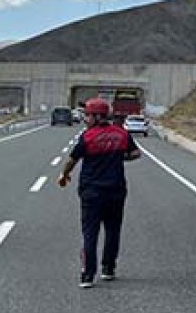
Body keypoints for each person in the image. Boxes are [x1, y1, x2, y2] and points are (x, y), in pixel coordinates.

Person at [57, 97, 141, 288]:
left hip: (91, 191)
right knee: (113, 230)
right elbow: (136, 154)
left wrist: (64, 175)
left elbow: (72, 159)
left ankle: (88, 275)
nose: (85, 119)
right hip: (116, 190)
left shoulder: (88, 137)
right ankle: (108, 268)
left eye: (87, 115)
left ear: (96, 116)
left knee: (90, 232)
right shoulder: (121, 134)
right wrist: (119, 157)